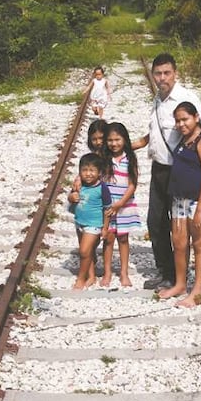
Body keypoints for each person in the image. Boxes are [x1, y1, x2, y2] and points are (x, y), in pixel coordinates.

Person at [131, 53, 201, 290]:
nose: (162, 78)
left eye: (167, 73)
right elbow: (157, 133)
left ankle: (180, 277)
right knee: (156, 222)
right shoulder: (158, 99)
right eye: (158, 73)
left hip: (179, 171)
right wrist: (134, 144)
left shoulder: (186, 98)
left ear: (175, 73)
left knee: (182, 229)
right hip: (159, 169)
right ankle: (166, 271)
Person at [158, 102, 201, 307]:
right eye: (178, 120)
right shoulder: (184, 138)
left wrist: (200, 209)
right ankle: (180, 284)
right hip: (180, 199)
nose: (181, 124)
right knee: (180, 243)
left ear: (196, 118)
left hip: (198, 201)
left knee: (199, 244)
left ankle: (197, 291)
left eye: (185, 119)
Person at [100, 122, 141, 289]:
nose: (114, 143)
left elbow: (133, 184)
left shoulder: (130, 158)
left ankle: (124, 272)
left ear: (124, 139)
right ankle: (107, 272)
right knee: (108, 239)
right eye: (110, 140)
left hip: (124, 205)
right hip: (108, 206)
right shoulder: (103, 158)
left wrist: (121, 203)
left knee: (123, 238)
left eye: (117, 139)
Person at [66, 153, 111, 290]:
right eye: (84, 170)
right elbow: (71, 197)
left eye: (92, 170)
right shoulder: (79, 185)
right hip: (79, 222)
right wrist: (71, 197)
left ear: (99, 173)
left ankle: (80, 279)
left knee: (84, 251)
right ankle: (91, 276)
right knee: (88, 251)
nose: (88, 174)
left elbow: (107, 209)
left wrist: (105, 228)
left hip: (94, 224)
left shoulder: (102, 188)